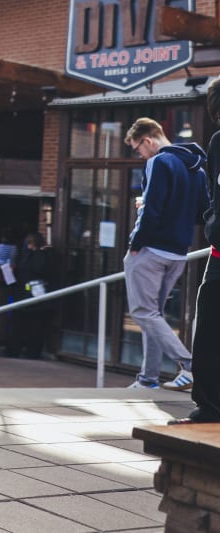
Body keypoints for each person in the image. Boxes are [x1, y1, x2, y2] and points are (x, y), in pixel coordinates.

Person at [124, 117, 207, 391]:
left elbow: (152, 210)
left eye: (138, 149)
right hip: (178, 254)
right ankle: (148, 379)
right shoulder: (197, 168)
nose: (140, 155)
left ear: (147, 140)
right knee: (154, 314)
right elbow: (201, 213)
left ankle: (190, 365)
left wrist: (136, 243)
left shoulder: (158, 161)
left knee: (143, 312)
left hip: (151, 251)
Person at [176, 79, 220, 423]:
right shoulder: (218, 144)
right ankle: (209, 406)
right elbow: (212, 196)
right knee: (208, 328)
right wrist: (212, 224)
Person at [0, 233, 60, 359]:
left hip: (29, 295)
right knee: (32, 326)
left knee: (23, 325)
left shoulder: (37, 256)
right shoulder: (44, 255)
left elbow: (36, 269)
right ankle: (27, 351)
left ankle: (17, 350)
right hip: (34, 295)